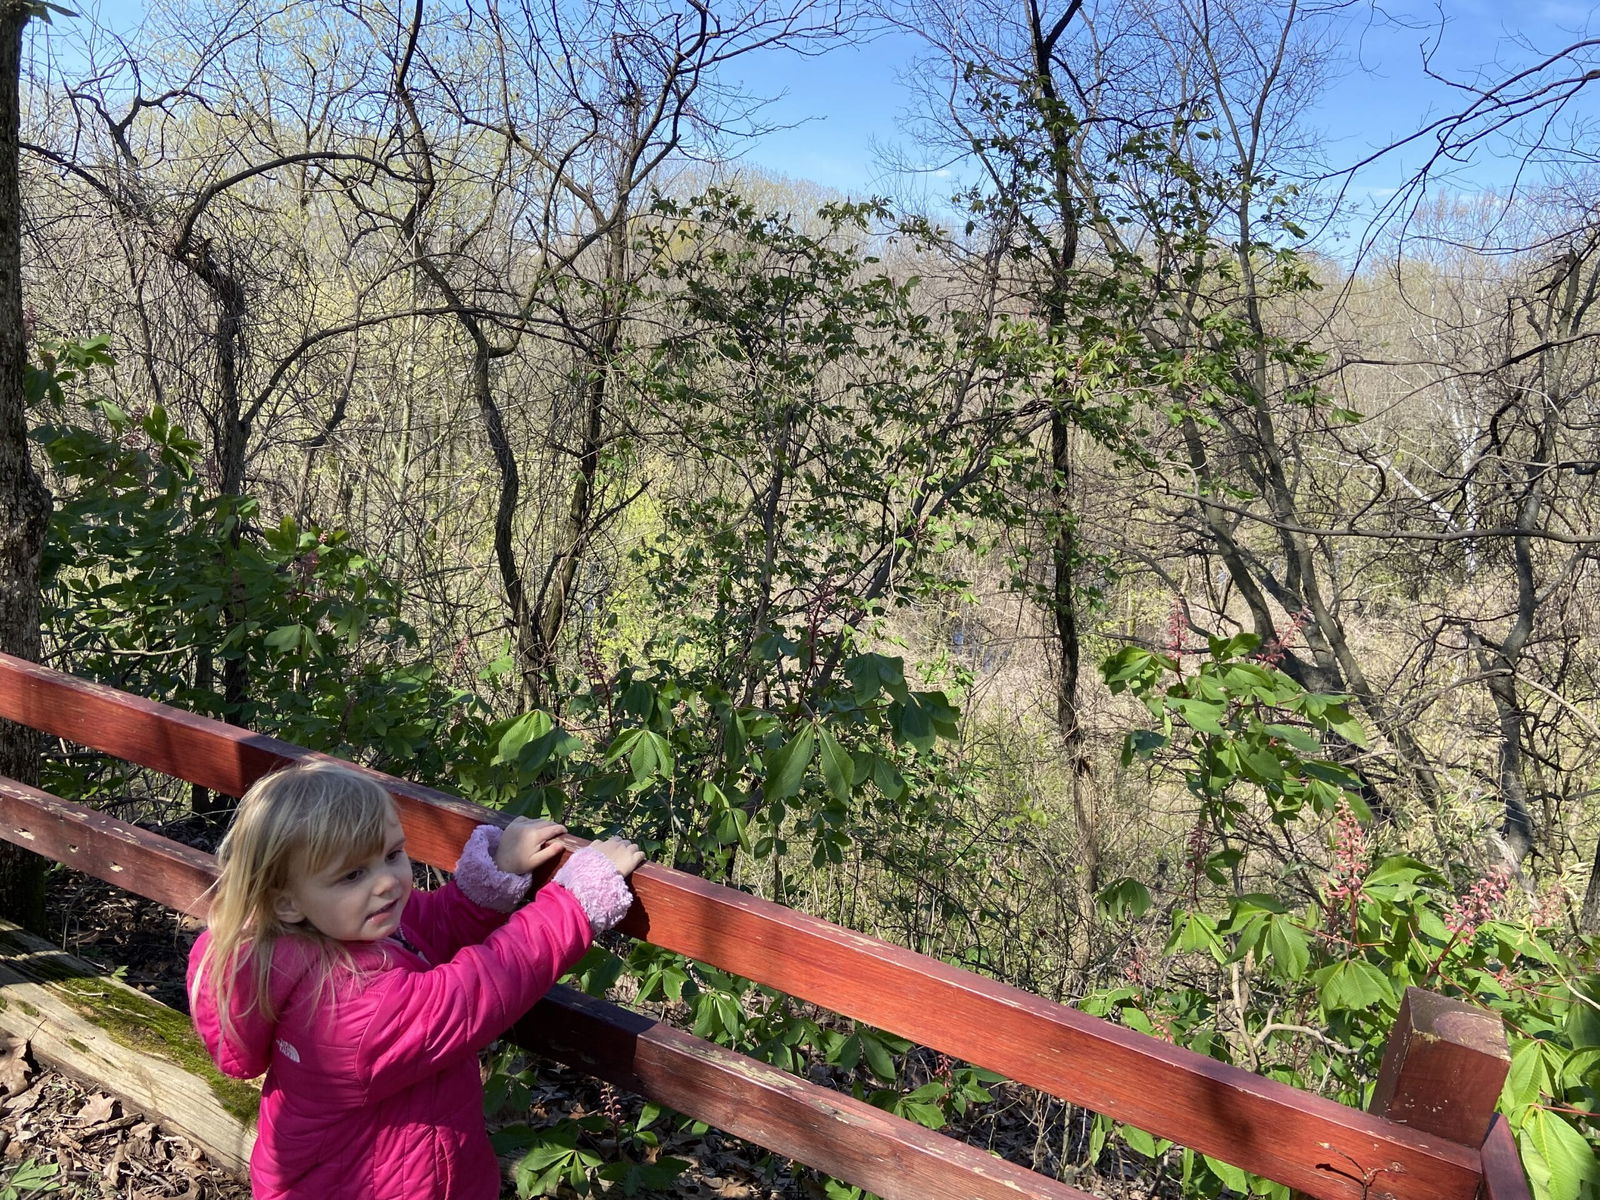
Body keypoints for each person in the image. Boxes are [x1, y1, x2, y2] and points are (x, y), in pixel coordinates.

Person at [187, 760, 645, 1200]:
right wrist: (575, 901)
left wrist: (497, 877)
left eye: (392, 854)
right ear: (287, 902)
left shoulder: (321, 934)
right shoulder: (350, 1012)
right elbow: (479, 990)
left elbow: (431, 929)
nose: (387, 882)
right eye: (353, 874)